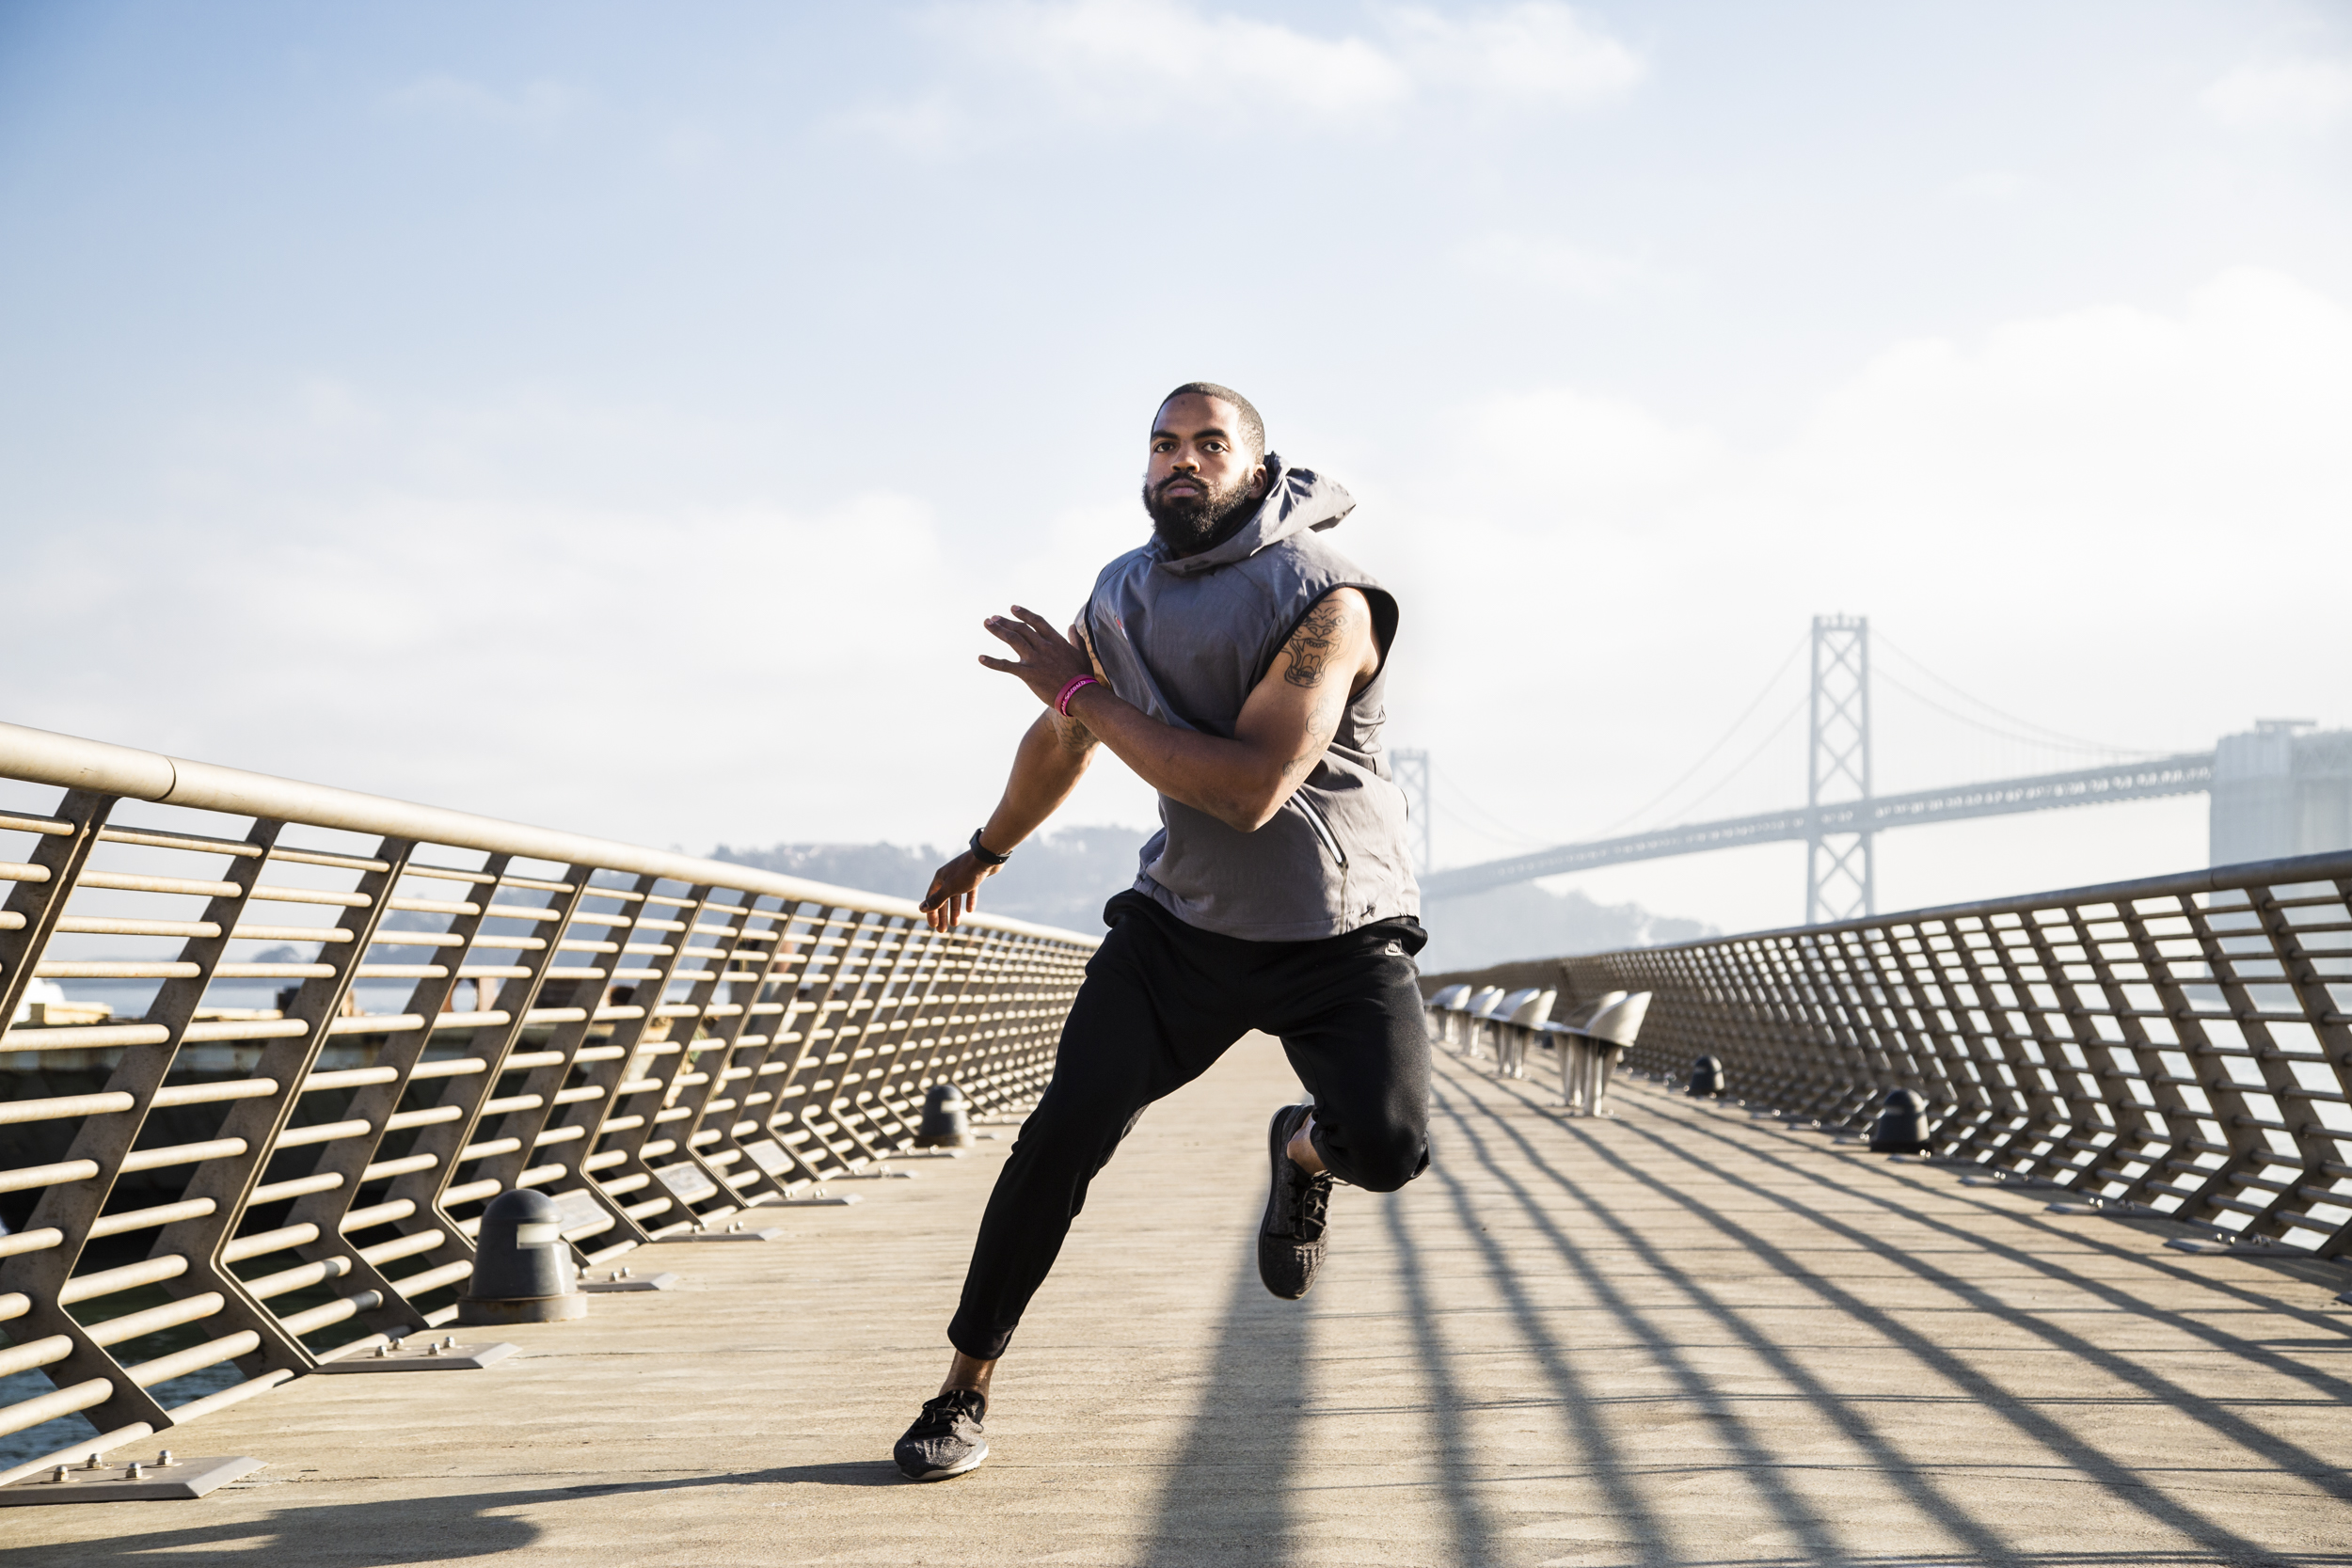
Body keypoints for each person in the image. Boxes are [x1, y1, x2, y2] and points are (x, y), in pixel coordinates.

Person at [891, 382, 1428, 1482]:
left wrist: (1082, 689)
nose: (1181, 461)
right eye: (1162, 445)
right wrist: (987, 846)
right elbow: (1064, 739)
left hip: (1335, 930)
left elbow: (1249, 790)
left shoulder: (1331, 600)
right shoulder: (1123, 590)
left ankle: (1301, 1145)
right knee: (1061, 1135)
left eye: (1208, 445)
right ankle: (959, 1390)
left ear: (1258, 466)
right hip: (1180, 926)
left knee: (1386, 1145)